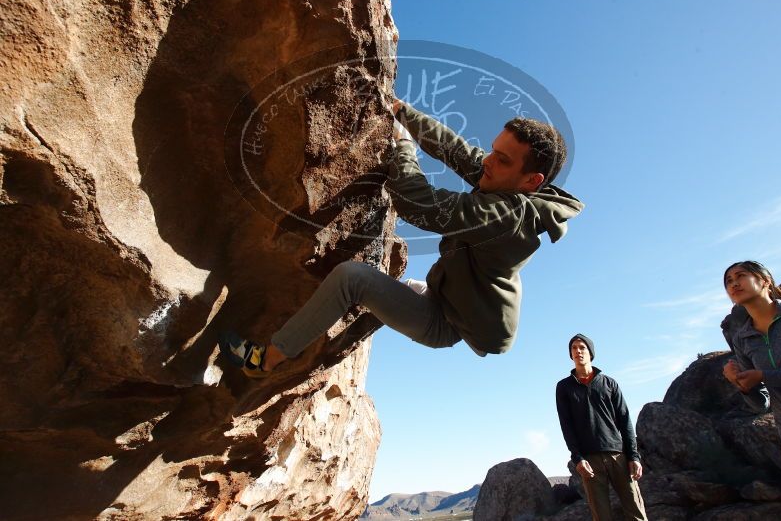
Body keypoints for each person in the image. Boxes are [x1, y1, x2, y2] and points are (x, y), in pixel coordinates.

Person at [220, 98, 584, 377]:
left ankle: (266, 360)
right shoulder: (504, 177)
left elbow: (416, 202)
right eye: (493, 149)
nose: (488, 161)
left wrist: (404, 148)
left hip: (451, 323)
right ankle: (388, 307)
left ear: (531, 181)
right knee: (407, 286)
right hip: (447, 295)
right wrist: (403, 112)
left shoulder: (507, 217)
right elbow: (457, 150)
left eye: (502, 159)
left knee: (353, 278)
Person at [721, 261, 781, 485]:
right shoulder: (742, 339)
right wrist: (742, 386)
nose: (734, 283)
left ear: (765, 280)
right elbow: (761, 404)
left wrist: (764, 375)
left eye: (740, 276)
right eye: (728, 281)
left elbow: (764, 377)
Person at [556, 334, 647, 521]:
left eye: (582, 347)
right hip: (589, 460)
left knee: (636, 512)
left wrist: (633, 456)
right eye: (574, 348)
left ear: (591, 353)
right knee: (601, 516)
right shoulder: (564, 387)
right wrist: (578, 458)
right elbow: (567, 426)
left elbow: (625, 421)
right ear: (570, 355)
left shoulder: (609, 383)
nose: (578, 351)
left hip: (618, 456)